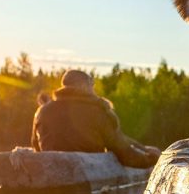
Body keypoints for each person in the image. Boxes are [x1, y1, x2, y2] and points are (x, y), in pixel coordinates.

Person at [31, 69, 162, 168]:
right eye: (91, 85)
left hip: (50, 174)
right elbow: (124, 153)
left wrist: (143, 149)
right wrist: (152, 159)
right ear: (83, 86)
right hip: (87, 177)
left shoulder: (42, 111)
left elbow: (36, 147)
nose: (94, 90)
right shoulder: (99, 111)